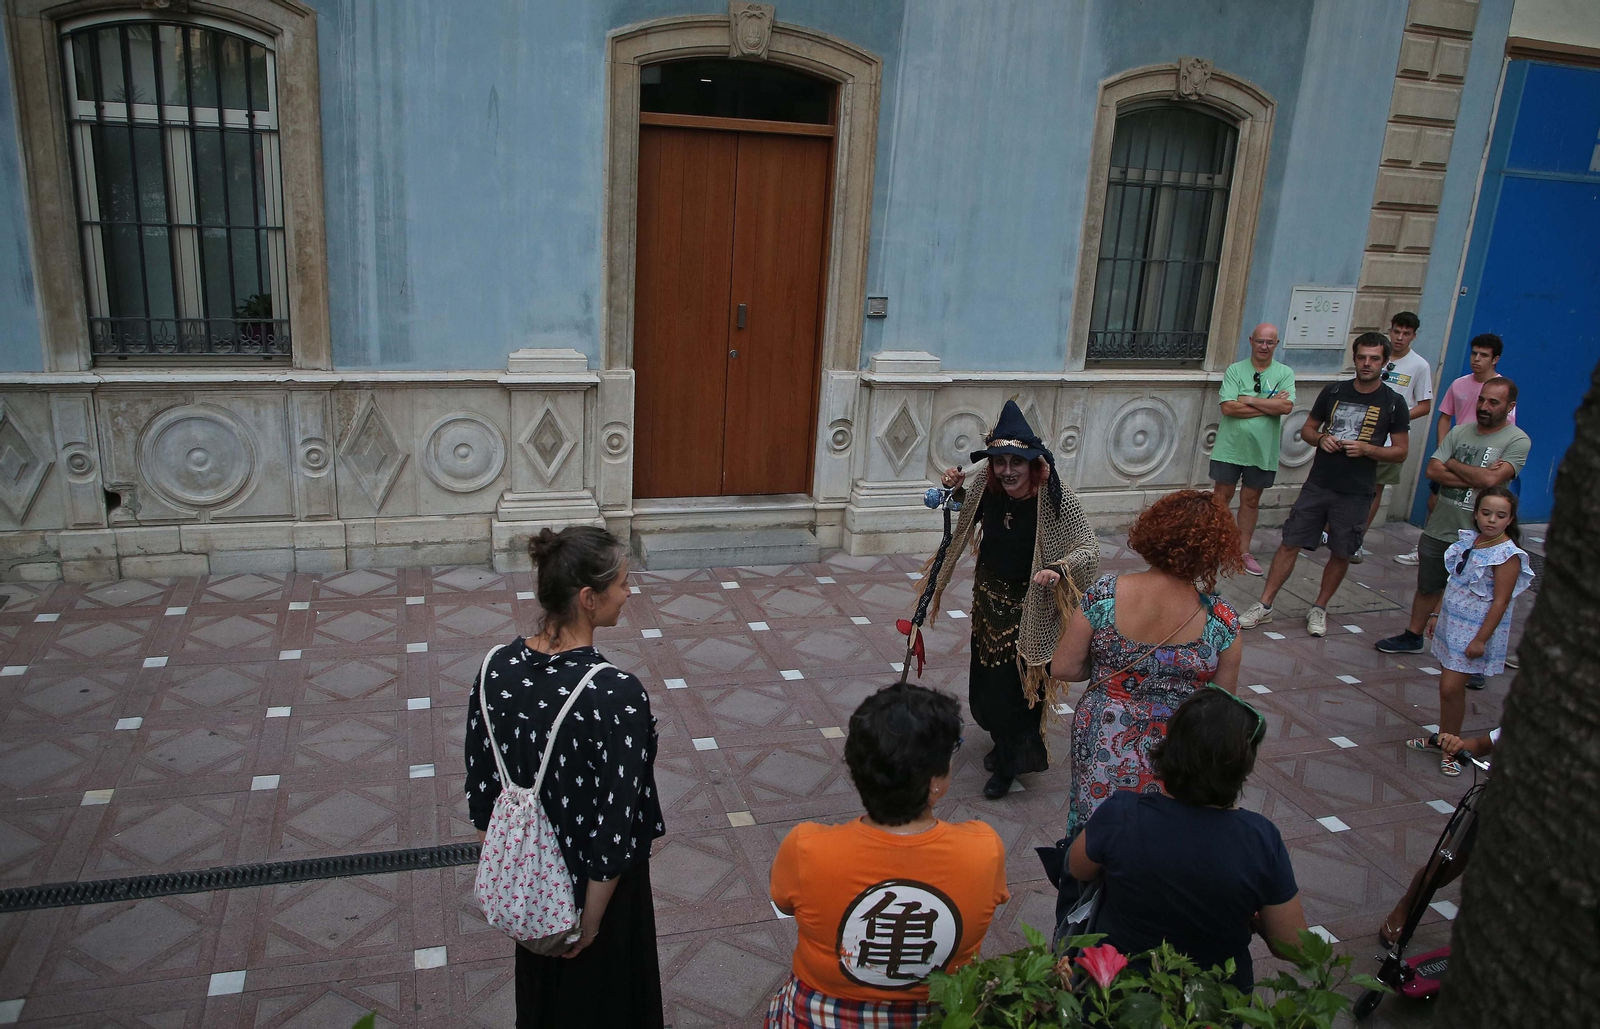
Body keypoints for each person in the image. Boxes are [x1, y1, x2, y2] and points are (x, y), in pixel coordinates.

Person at [464, 526, 666, 1028]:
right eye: (622, 583)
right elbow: (616, 827)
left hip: (531, 885)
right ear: (588, 598)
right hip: (599, 895)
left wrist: (519, 880)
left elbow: (483, 795)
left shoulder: (496, 667)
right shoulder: (616, 693)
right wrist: (589, 923)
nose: (629, 592)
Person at [765, 683, 1008, 1028]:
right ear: (936, 781)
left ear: (855, 768)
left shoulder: (806, 848)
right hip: (945, 1014)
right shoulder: (984, 849)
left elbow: (786, 904)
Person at [1063, 688, 1307, 991]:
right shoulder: (1260, 838)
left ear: (1169, 747)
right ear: (1243, 767)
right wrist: (1259, 924)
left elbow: (1078, 868)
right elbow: (1295, 947)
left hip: (1118, 993)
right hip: (1213, 1002)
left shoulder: (1122, 814)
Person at [1050, 489, 1243, 838]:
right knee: (1162, 835)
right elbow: (1222, 704)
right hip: (1179, 746)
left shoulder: (1105, 595)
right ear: (1213, 551)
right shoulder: (1221, 620)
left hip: (1105, 731)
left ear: (1154, 532)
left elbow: (1063, 667)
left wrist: (1110, 674)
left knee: (1097, 829)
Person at [934, 400, 1100, 799]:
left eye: (1016, 463)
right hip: (989, 604)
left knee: (1019, 689)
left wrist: (1059, 569)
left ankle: (1011, 763)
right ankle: (1001, 742)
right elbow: (960, 510)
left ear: (1033, 465)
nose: (1007, 470)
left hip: (1032, 611)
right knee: (989, 680)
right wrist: (951, 488)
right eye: (999, 462)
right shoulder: (986, 490)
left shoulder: (1058, 500)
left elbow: (1089, 549)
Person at [1238, 333, 1411, 637]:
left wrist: (1368, 449)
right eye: (1361, 357)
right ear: (1354, 359)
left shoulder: (1393, 403)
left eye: (1374, 359)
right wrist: (1320, 439)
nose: (1367, 364)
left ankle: (1319, 607)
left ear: (1384, 362)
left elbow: (1401, 451)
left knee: (1342, 550)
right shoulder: (1333, 391)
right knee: (1290, 541)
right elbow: (1307, 428)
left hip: (1357, 489)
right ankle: (1264, 604)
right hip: (1319, 482)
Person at [1375, 378, 1531, 694]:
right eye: (1482, 400)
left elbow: (1493, 480)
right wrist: (1475, 478)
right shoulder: (1460, 431)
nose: (1484, 407)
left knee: (1480, 595)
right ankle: (1413, 634)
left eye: (1494, 403)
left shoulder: (1518, 440)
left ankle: (1477, 659)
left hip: (1482, 536)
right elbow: (1432, 470)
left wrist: (1455, 464)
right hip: (1441, 525)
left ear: (1510, 407)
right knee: (1428, 583)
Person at [1401, 486, 1532, 776]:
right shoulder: (1471, 542)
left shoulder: (1507, 554)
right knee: (1447, 689)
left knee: (1451, 687)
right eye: (1486, 513)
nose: (1491, 520)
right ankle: (1446, 738)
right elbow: (1453, 581)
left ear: (1510, 519)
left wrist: (1481, 639)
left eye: (1500, 515)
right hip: (1452, 622)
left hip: (1474, 631)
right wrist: (1436, 613)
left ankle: (1453, 746)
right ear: (1475, 514)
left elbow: (1501, 601)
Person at [1396, 333, 1516, 566]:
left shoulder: (1502, 390)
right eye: (1474, 353)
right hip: (1454, 456)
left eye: (1484, 355)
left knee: (1476, 505)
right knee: (1436, 500)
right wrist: (1444, 447)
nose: (1477, 359)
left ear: (1495, 359)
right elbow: (1445, 417)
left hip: (1483, 460)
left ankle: (1469, 552)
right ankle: (1428, 546)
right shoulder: (1459, 384)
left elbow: (1508, 427)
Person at [1379, 727, 1498, 945]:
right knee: (1442, 867)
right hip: (1499, 805)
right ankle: (1406, 906)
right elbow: (1482, 745)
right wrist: (1457, 747)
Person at [1211, 323, 1297, 576]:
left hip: (1262, 450)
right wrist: (1268, 404)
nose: (1264, 346)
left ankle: (1242, 551)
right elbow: (1227, 407)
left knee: (1250, 500)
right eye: (1260, 341)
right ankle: (1215, 546)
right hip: (1229, 447)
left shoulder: (1284, 373)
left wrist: (1247, 399)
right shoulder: (1236, 370)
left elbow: (1286, 407)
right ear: (1251, 340)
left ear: (1276, 344)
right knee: (1220, 498)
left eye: (1269, 342)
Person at [1358, 312, 1432, 563]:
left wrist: (1397, 419)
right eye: (1396, 331)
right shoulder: (1376, 357)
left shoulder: (1419, 365)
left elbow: (1424, 405)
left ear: (1414, 336)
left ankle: (1358, 538)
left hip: (1389, 441)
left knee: (1374, 489)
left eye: (1406, 334)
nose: (1400, 338)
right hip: (1360, 433)